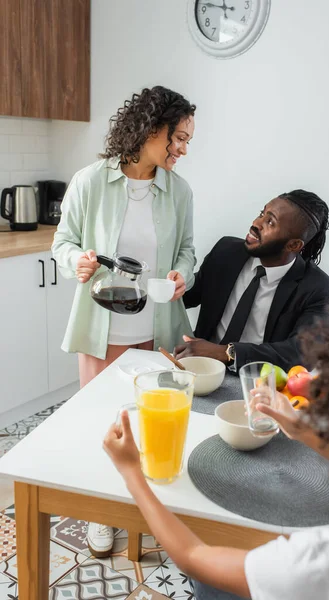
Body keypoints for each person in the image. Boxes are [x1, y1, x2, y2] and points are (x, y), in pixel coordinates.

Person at [104, 291, 329, 599]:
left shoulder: (320, 566)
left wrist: (131, 473)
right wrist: (302, 431)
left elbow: (192, 557)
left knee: (211, 581)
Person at [52, 85, 196, 558]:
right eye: (177, 138)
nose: (182, 149)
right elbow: (63, 241)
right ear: (151, 130)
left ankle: (145, 511)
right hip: (103, 329)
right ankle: (100, 515)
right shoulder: (91, 180)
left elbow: (187, 251)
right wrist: (78, 261)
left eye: (187, 140)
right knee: (104, 425)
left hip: (157, 333)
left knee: (149, 429)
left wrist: (182, 274)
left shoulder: (179, 191)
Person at [175, 190, 329, 372]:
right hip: (200, 369)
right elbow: (187, 295)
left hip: (259, 383)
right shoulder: (226, 252)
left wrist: (227, 353)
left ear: (293, 245)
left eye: (270, 222)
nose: (255, 223)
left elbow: (302, 354)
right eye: (262, 214)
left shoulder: (318, 288)